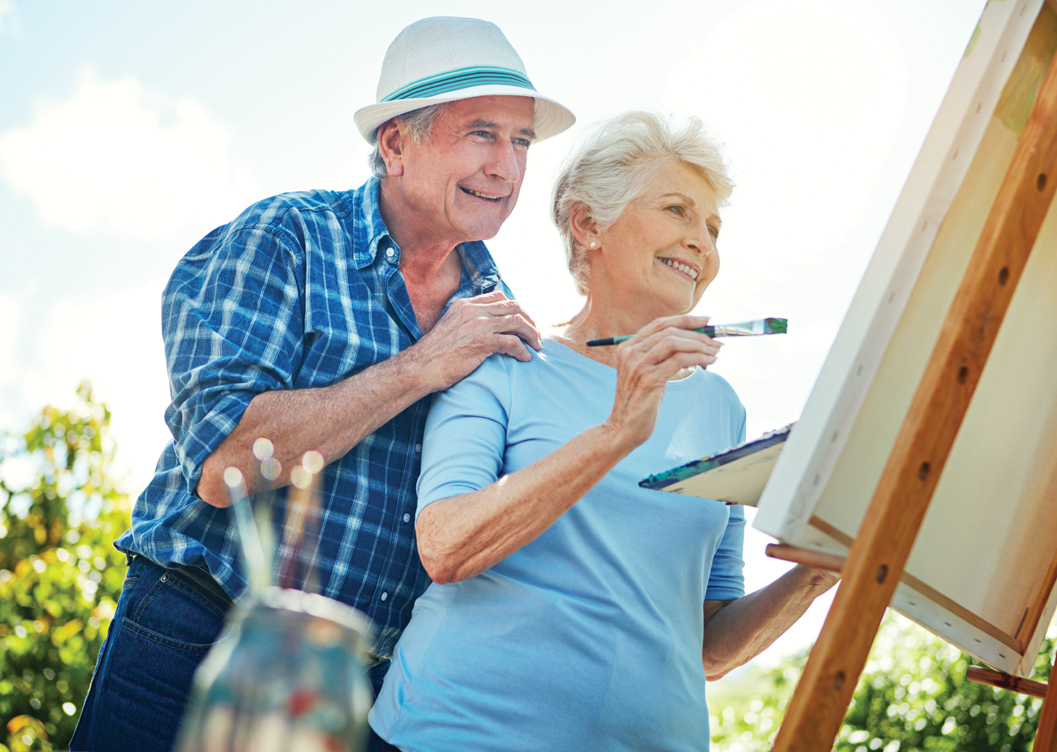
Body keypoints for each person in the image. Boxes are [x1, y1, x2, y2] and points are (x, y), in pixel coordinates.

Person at [70, 16, 575, 752]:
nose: (507, 166)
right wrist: (418, 367)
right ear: (396, 145)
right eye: (481, 134)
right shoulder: (286, 238)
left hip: (357, 685)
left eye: (521, 142)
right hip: (201, 633)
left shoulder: (498, 319)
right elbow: (226, 466)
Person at [367, 112, 837, 752]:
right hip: (457, 733)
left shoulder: (721, 408)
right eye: (677, 210)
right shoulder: (507, 362)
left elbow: (709, 645)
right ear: (588, 224)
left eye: (713, 227)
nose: (702, 241)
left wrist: (825, 564)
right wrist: (617, 431)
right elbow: (446, 548)